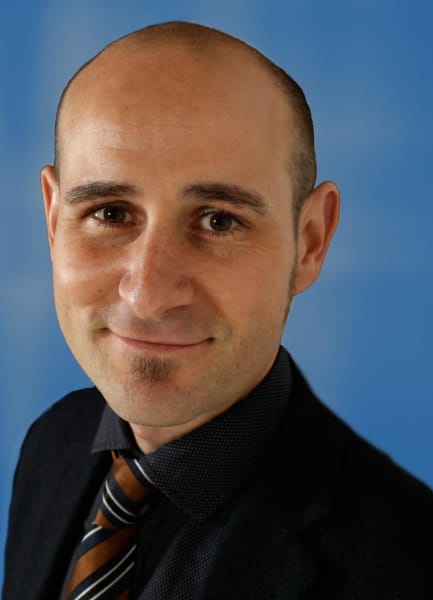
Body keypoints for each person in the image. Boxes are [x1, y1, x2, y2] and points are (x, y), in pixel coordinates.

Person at [3, 20, 433, 600]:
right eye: (110, 213)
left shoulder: (408, 564)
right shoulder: (52, 441)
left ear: (310, 241)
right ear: (54, 221)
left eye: (219, 220)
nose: (148, 294)